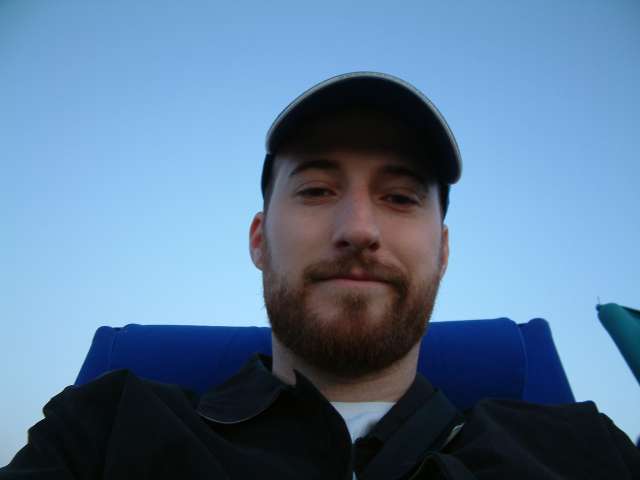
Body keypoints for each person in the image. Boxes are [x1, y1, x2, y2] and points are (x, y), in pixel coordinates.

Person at [2, 72, 639, 479]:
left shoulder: (579, 451)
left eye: (399, 197)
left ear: (443, 252)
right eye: (315, 190)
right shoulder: (105, 430)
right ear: (259, 240)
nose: (358, 228)